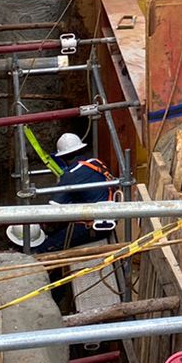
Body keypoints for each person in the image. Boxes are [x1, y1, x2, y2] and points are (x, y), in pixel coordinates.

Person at [38, 132, 117, 311]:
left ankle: (53, 298)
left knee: (46, 249)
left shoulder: (71, 175)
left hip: (95, 228)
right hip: (110, 219)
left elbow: (52, 210)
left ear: (63, 157)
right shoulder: (96, 163)